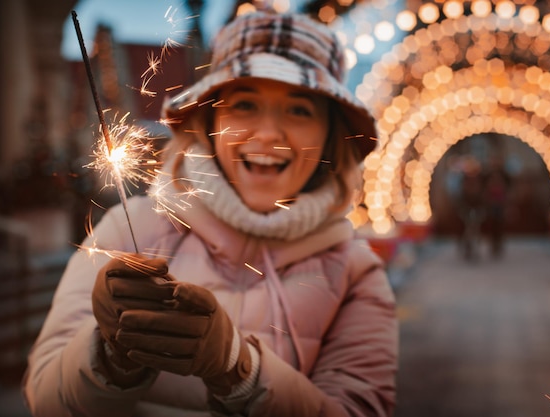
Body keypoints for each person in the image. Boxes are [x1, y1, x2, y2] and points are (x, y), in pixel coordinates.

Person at [23, 10, 398, 417]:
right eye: (245, 105)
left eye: (300, 110)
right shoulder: (128, 231)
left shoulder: (355, 272)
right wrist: (109, 354)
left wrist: (241, 368)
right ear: (209, 118)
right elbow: (45, 400)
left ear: (330, 136)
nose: (269, 133)